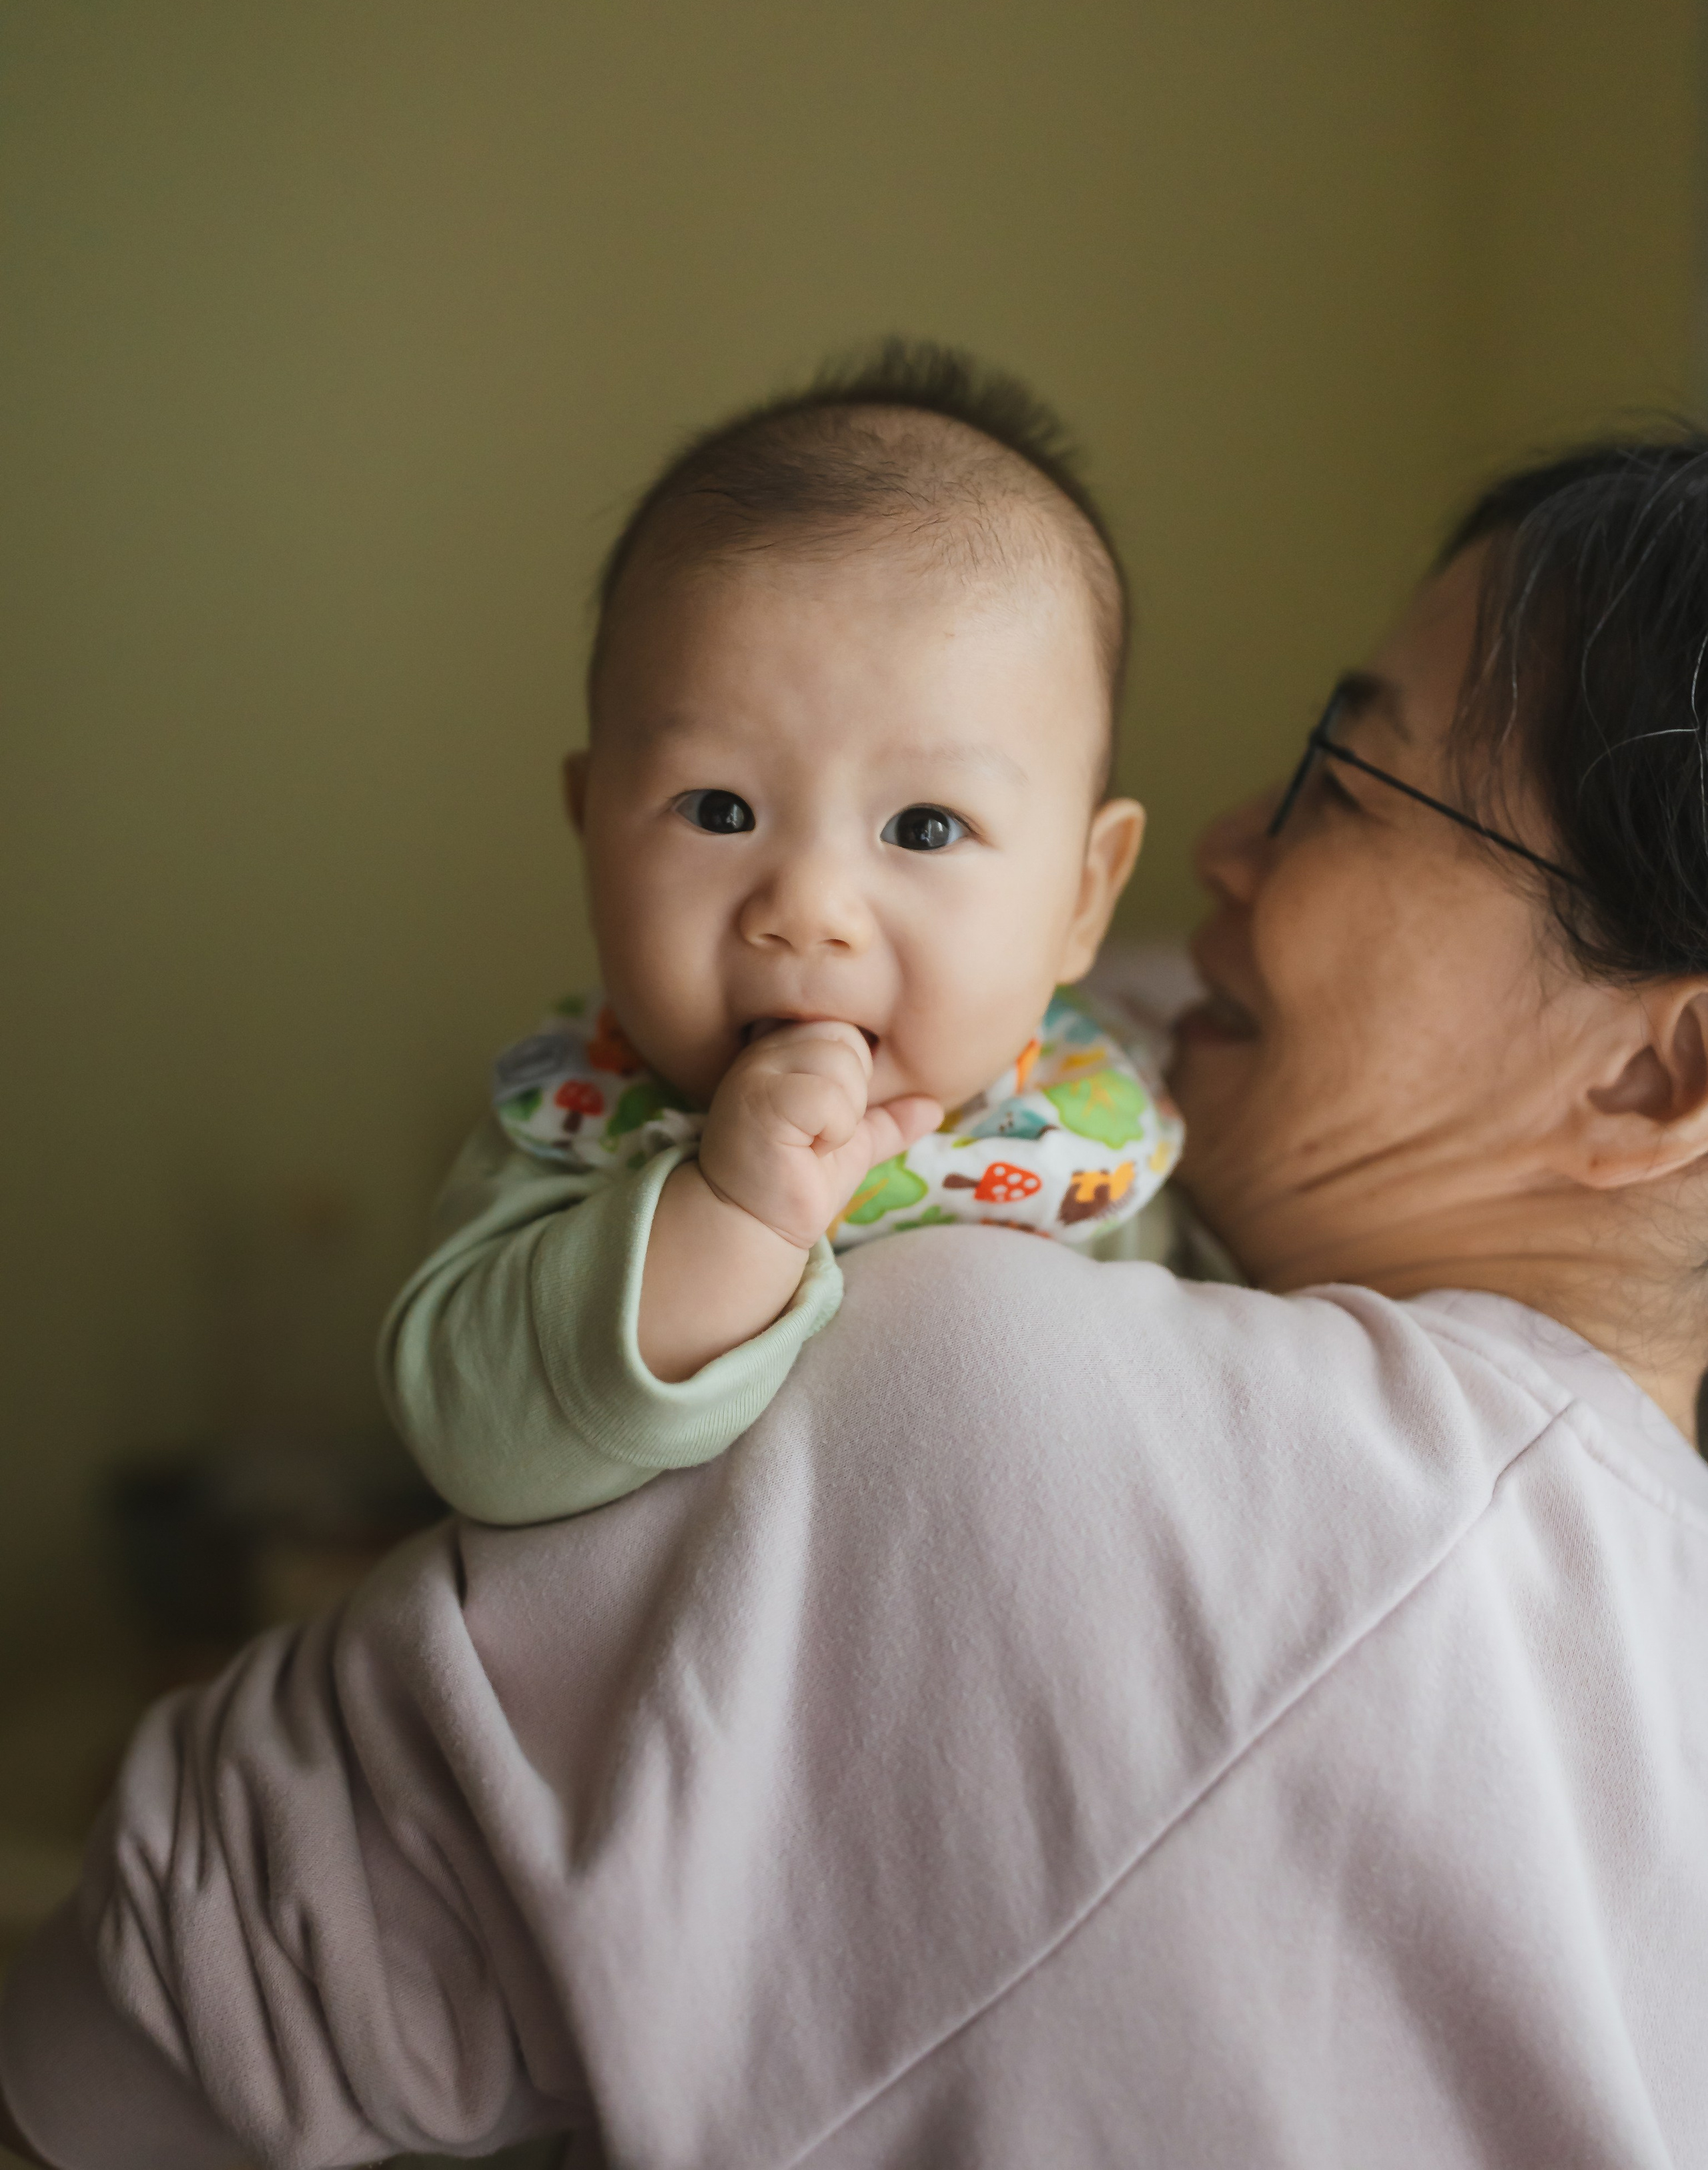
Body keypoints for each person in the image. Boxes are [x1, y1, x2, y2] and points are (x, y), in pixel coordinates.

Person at [7, 433, 1708, 2167]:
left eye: (1346, 779)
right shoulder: (1635, 1588)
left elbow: (226, 1953)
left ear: (1660, 1078)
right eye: (723, 809)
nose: (1234, 839)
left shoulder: (1003, 1369)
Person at [381, 343, 1190, 1528]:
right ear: (589, 826)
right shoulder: (580, 1130)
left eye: (924, 824)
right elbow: (477, 1439)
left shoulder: (1102, 1136)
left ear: (1083, 893)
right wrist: (734, 1218)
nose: (808, 903)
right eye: (719, 810)